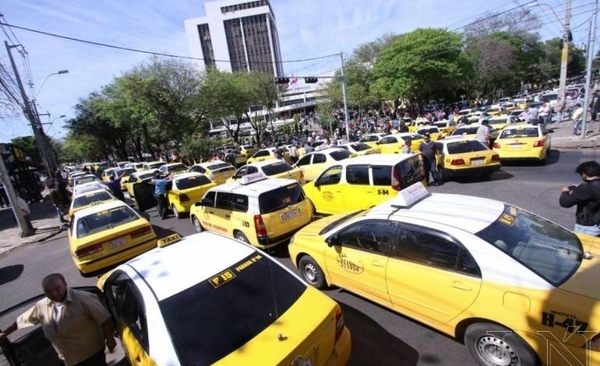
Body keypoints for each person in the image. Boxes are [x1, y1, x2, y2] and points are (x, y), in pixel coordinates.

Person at [0, 273, 116, 366]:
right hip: (68, 359)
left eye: (57, 288)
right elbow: (23, 320)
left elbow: (104, 319)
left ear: (65, 284)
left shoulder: (83, 299)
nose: (54, 293)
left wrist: (110, 339)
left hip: (91, 355)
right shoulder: (42, 306)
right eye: (49, 291)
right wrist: (5, 333)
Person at [559, 161, 600, 236]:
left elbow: (565, 203)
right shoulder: (590, 187)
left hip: (587, 228)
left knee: (582, 247)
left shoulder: (585, 188)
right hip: (597, 224)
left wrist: (565, 191)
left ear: (584, 175)